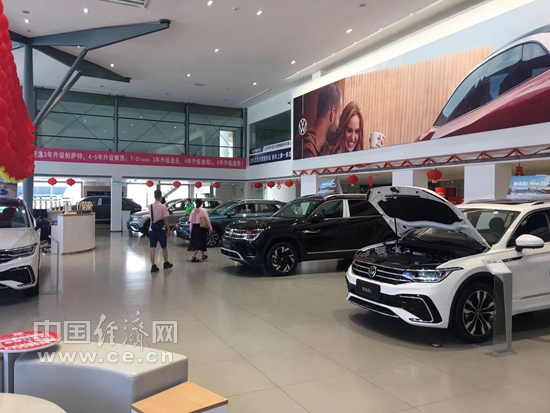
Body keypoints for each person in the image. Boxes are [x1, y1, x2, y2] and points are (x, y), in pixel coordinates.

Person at [297, 83, 343, 158]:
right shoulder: (307, 150)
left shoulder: (322, 147)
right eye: (339, 117)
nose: (338, 124)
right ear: (332, 113)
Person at [149, 189, 173, 273]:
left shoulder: (150, 206)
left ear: (154, 196)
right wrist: (168, 229)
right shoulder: (163, 207)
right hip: (161, 230)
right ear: (161, 197)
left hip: (152, 229)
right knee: (164, 247)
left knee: (152, 248)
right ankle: (165, 263)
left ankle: (153, 266)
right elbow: (165, 219)